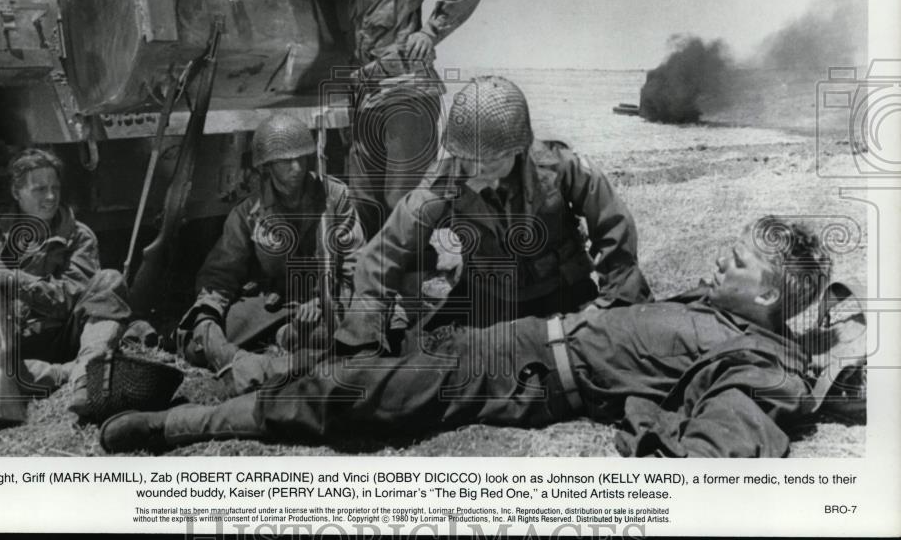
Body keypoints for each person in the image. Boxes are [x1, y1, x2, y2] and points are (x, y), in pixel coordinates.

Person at [100, 216, 865, 458]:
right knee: (367, 348)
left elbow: (717, 450)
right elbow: (825, 310)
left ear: (765, 293)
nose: (718, 261)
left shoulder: (759, 363)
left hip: (521, 375)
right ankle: (238, 376)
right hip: (516, 341)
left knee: (354, 392)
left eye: (735, 262)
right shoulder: (737, 312)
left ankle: (175, 427)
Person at [334, 75, 649, 355]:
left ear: (518, 147)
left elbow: (613, 225)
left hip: (562, 294)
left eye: (492, 160)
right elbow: (387, 251)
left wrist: (615, 305)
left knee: (601, 351)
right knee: (427, 356)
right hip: (487, 300)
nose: (478, 169)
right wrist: (365, 328)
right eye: (470, 159)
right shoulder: (443, 184)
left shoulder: (560, 165)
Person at [273, 0, 483, 237]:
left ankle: (413, 278)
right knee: (363, 201)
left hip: (407, 94)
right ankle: (375, 280)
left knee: (401, 199)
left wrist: (429, 32)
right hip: (364, 99)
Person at [175, 113, 365, 392]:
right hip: (273, 307)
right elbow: (220, 275)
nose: (297, 167)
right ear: (267, 166)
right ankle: (281, 342)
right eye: (285, 161)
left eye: (302, 158)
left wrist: (330, 299)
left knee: (342, 330)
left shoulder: (335, 198)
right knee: (199, 344)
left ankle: (290, 350)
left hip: (327, 303)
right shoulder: (249, 213)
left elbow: (355, 264)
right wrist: (207, 316)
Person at [0, 148, 131, 421]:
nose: (51, 196)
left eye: (55, 187)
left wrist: (12, 278)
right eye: (40, 189)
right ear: (17, 193)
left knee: (110, 280)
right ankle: (72, 372)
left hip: (62, 334)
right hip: (15, 343)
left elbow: (70, 298)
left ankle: (85, 379)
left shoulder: (78, 236)